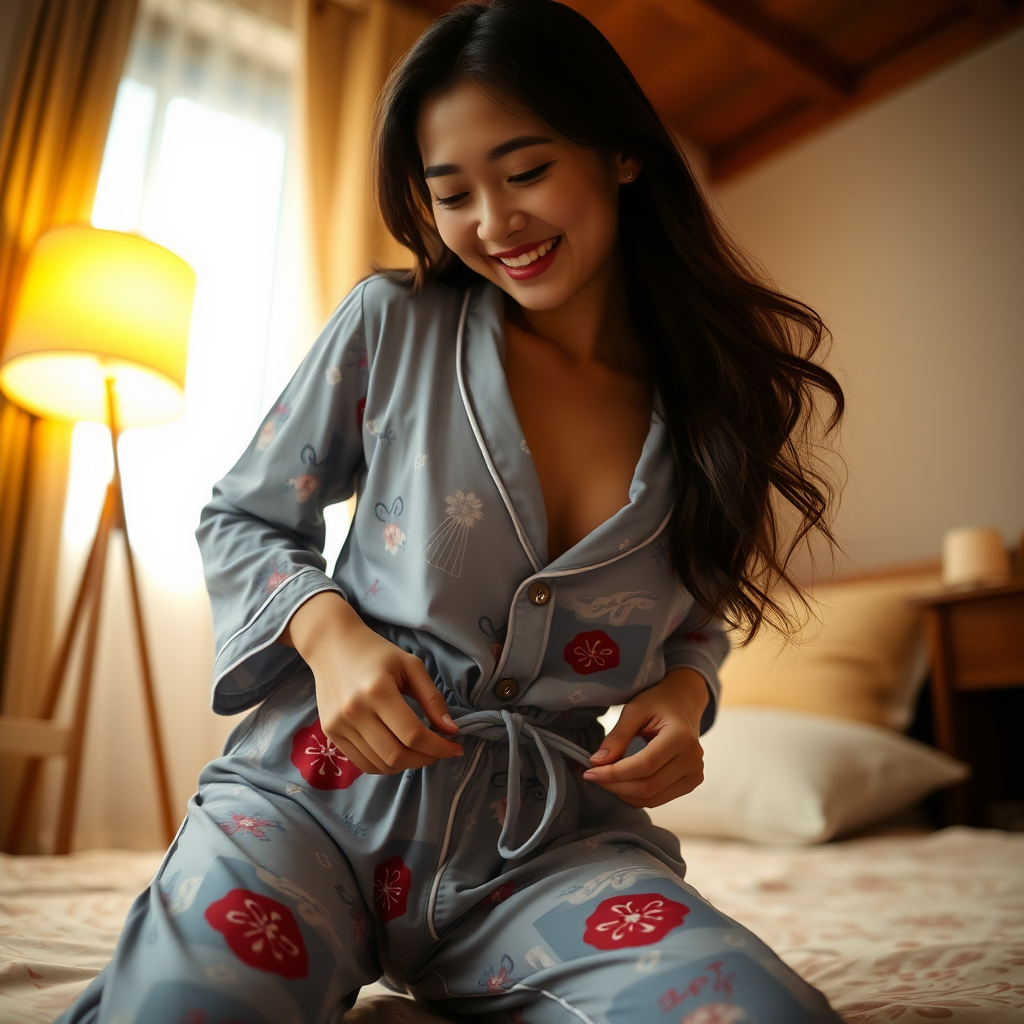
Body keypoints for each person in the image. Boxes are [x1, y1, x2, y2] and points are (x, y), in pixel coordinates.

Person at [59, 1, 845, 1022]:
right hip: (308, 802)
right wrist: (332, 637)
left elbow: (696, 603)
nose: (493, 222)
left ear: (619, 152)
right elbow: (244, 517)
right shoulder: (392, 327)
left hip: (546, 847)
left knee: (758, 1013)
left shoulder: (716, 412)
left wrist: (688, 693)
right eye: (452, 194)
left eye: (524, 172)